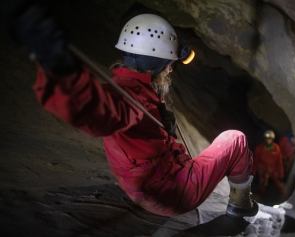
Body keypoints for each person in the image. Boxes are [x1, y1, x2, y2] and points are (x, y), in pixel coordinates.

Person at [12, 4, 258, 217]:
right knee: (235, 139)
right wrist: (61, 68)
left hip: (142, 191)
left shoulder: (127, 83)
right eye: (169, 64)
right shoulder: (132, 98)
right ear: (157, 62)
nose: (171, 69)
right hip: (173, 194)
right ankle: (240, 204)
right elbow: (98, 111)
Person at [253, 130, 285, 196]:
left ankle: (282, 195)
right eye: (267, 139)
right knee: (263, 181)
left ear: (273, 139)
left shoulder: (276, 148)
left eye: (270, 139)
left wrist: (281, 173)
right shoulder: (259, 148)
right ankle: (261, 193)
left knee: (278, 183)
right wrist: (253, 170)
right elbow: (255, 160)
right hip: (263, 168)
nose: (268, 141)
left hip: (273, 169)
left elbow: (279, 162)